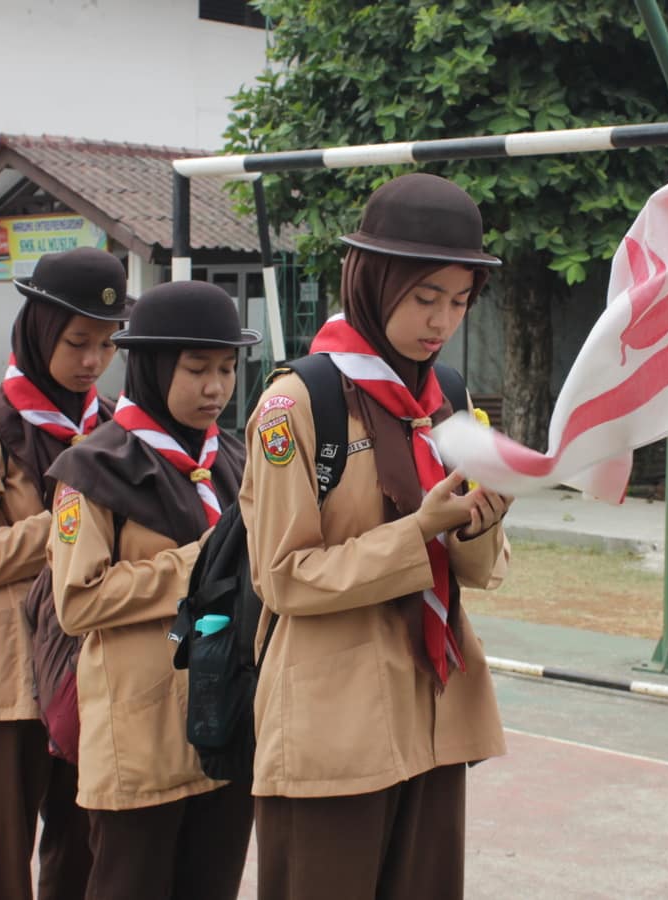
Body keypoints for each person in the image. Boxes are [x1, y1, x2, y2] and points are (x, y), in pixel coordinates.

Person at [240, 173, 514, 900]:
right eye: (424, 297)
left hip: (434, 713)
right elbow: (283, 576)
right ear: (374, 280)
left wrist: (480, 523)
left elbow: (476, 571)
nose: (441, 320)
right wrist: (418, 532)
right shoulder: (298, 402)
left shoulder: (446, 397)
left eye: (459, 300)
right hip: (332, 723)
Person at [0, 248, 129, 899]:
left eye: (106, 344)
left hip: (85, 668)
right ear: (40, 330)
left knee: (82, 845)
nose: (92, 360)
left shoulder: (113, 425)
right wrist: (69, 524)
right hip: (4, 673)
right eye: (77, 342)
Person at [46, 281, 258, 900]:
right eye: (196, 369)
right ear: (155, 366)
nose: (215, 387)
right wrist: (197, 565)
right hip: (140, 734)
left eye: (226, 369)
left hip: (226, 724)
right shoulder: (93, 468)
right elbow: (77, 600)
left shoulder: (237, 460)